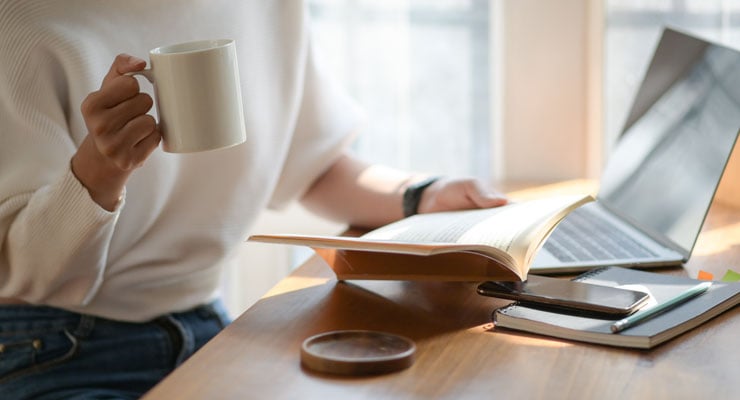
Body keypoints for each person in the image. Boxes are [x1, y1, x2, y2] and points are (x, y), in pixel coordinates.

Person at [0, 1, 507, 398]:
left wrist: (421, 195)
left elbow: (312, 163)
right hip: (50, 345)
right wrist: (99, 170)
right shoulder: (24, 18)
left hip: (207, 326)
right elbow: (23, 273)